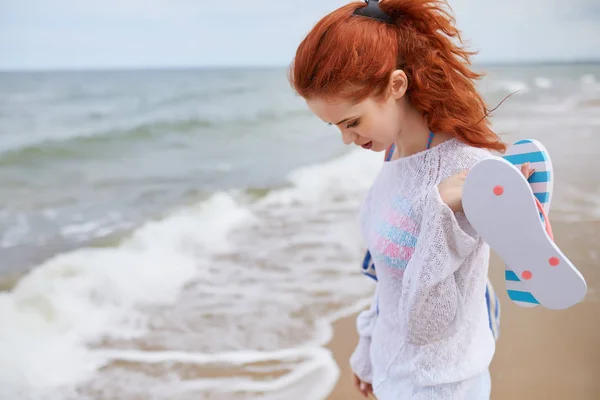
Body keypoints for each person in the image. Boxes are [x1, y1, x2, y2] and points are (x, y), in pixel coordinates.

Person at [288, 1, 527, 398]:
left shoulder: (468, 173)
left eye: (352, 122)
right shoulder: (394, 157)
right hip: (392, 380)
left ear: (396, 85)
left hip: (443, 387)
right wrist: (366, 353)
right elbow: (388, 283)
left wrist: (441, 215)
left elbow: (429, 324)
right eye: (335, 127)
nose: (347, 139)